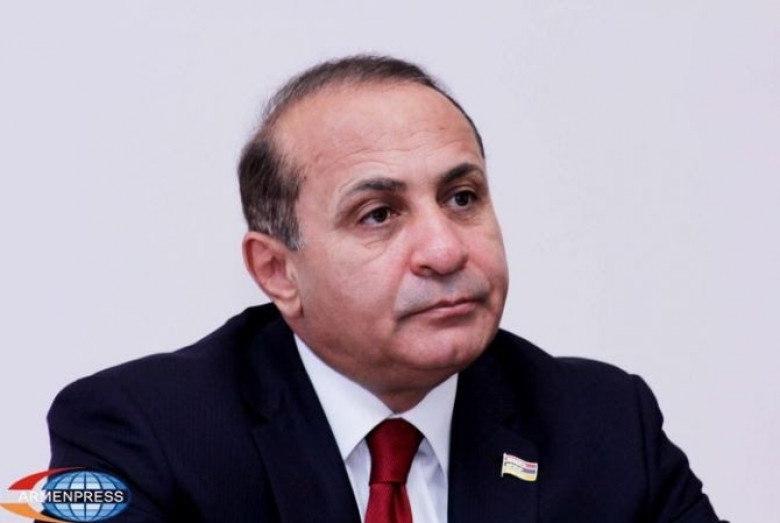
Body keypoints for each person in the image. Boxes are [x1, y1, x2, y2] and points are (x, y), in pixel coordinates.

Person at [45, 55, 725, 522]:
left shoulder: (606, 424)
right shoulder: (139, 432)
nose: (445, 250)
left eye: (462, 198)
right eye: (378, 214)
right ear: (278, 271)